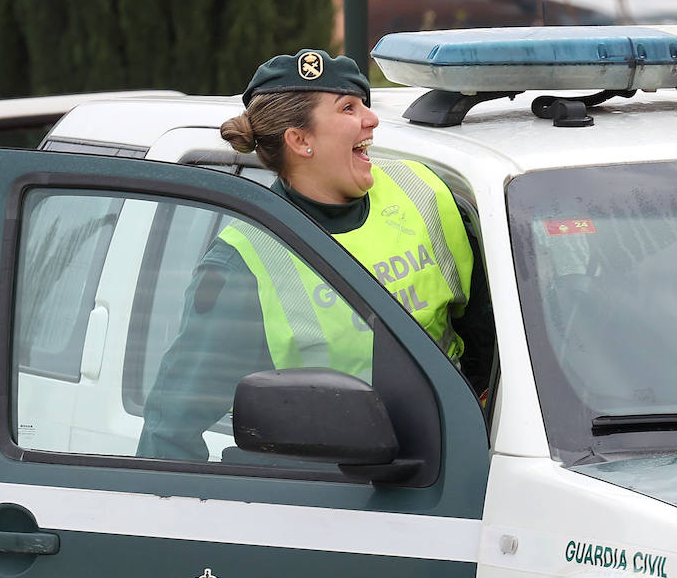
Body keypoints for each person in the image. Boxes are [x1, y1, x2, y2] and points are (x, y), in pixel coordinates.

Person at [137, 49, 488, 461]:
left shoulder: (423, 191)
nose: (371, 119)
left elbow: (493, 341)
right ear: (300, 140)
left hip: (458, 464)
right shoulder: (247, 263)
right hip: (336, 497)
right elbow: (171, 429)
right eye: (348, 108)